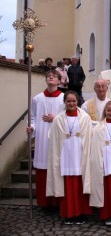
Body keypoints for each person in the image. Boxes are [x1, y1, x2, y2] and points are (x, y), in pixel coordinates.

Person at [47, 91, 93, 224]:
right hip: (65, 155)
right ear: (65, 102)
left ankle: (81, 213)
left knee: (80, 185)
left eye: (74, 101)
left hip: (80, 154)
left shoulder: (85, 118)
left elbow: (89, 136)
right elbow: (54, 139)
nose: (71, 103)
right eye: (69, 101)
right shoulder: (58, 119)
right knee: (67, 186)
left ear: (77, 101)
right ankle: (69, 213)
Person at [26, 70, 65, 208]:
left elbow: (68, 118)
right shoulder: (37, 99)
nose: (51, 77)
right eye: (48, 76)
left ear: (59, 81)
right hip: (42, 139)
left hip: (58, 138)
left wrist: (55, 118)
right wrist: (31, 127)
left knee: (57, 169)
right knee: (43, 170)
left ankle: (57, 201)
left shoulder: (64, 98)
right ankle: (45, 202)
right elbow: (33, 118)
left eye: (54, 76)